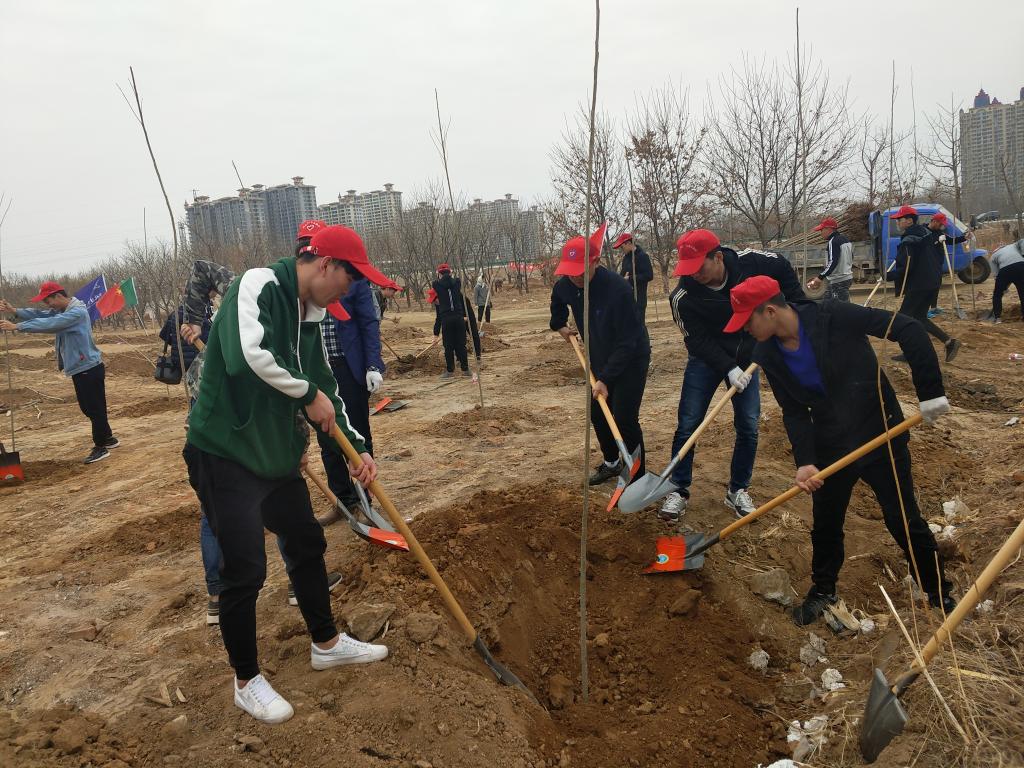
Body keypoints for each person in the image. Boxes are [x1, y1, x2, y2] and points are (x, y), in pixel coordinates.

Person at [182, 224, 389, 724]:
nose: (348, 292)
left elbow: (325, 387)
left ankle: (326, 643)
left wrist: (356, 449)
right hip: (225, 451)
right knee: (245, 568)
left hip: (274, 455)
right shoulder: (257, 285)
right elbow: (247, 357)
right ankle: (246, 680)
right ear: (326, 264)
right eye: (349, 280)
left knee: (305, 542)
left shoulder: (309, 317)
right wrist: (307, 394)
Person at [726, 274, 955, 624]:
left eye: (747, 321)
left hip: (880, 432)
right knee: (826, 522)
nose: (744, 329)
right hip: (831, 442)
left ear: (769, 311)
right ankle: (823, 590)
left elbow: (907, 328)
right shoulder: (766, 352)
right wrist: (806, 461)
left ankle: (937, 591)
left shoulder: (833, 315)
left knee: (902, 519)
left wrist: (931, 392)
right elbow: (794, 411)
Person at [660, 229, 805, 522]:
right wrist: (728, 367)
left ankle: (738, 489)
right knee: (688, 423)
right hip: (706, 358)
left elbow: (782, 266)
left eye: (699, 267)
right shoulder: (683, 297)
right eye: (688, 269)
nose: (694, 274)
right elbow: (696, 341)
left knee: (748, 424)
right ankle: (677, 489)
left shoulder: (751, 263)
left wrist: (796, 306)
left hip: (748, 355)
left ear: (717, 257)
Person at [550, 223, 650, 483]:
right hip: (599, 354)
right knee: (598, 413)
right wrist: (559, 324)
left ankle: (637, 476)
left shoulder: (618, 290)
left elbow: (628, 341)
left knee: (624, 418)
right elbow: (558, 299)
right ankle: (612, 463)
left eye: (580, 271)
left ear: (595, 261)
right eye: (570, 272)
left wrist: (606, 378)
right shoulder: (567, 285)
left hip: (631, 356)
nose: (575, 277)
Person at [0, 283, 118, 464]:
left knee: (93, 409)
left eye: (48, 301)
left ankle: (101, 446)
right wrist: (14, 310)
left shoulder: (76, 313)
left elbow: (50, 323)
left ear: (58, 296)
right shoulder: (63, 310)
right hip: (83, 367)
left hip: (87, 368)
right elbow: (42, 315)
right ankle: (108, 438)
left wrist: (17, 326)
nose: (48, 306)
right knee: (92, 407)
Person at [316, 270, 386, 521]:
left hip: (348, 368)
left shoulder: (354, 281)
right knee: (327, 438)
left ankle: (365, 500)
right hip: (319, 370)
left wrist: (373, 365)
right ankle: (344, 501)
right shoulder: (309, 283)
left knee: (358, 434)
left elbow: (369, 323)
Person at [889, 206, 961, 363]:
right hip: (932, 281)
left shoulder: (910, 239)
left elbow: (907, 266)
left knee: (903, 319)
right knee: (920, 318)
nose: (897, 223)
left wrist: (889, 276)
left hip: (919, 284)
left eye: (899, 220)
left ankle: (911, 352)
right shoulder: (926, 234)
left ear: (909, 221)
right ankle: (949, 342)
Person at [924, 212, 969, 317]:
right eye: (940, 224)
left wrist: (964, 238)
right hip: (927, 264)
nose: (941, 226)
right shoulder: (924, 231)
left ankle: (933, 308)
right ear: (934, 221)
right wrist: (937, 242)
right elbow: (925, 246)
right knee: (928, 287)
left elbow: (950, 240)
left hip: (937, 263)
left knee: (936, 285)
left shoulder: (939, 232)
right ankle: (924, 310)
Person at [432, 263, 470, 379]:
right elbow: (452, 281)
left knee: (448, 346)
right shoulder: (457, 282)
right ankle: (465, 369)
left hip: (446, 318)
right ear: (450, 272)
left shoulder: (436, 284)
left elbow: (438, 282)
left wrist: (436, 333)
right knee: (461, 344)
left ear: (439, 274)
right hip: (458, 317)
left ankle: (450, 371)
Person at [805, 217, 853, 301]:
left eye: (821, 230)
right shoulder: (846, 240)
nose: (821, 233)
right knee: (830, 303)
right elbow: (851, 257)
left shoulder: (833, 241)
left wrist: (820, 277)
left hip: (838, 280)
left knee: (836, 305)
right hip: (847, 278)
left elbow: (833, 261)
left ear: (829, 229)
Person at [613, 233, 654, 323]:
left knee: (639, 324)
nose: (621, 249)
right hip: (627, 298)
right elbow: (623, 275)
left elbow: (649, 275)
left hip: (638, 298)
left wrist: (630, 278)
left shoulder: (643, 257)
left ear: (628, 243)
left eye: (622, 247)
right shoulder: (626, 258)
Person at [985, 238, 1024, 323]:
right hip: (1021, 266)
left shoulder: (993, 256)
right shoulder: (1013, 245)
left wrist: (1002, 287)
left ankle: (997, 318)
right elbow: (1022, 241)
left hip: (1005, 270)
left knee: (997, 295)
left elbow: (996, 274)